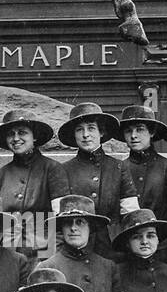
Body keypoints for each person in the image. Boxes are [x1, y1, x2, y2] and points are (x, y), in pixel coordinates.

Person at [58, 103, 139, 260]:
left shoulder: (118, 166)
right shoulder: (63, 170)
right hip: (76, 245)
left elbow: (130, 212)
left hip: (112, 247)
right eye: (79, 130)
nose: (85, 135)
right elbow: (59, 217)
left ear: (101, 132)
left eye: (91, 128)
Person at [0, 109, 70, 258]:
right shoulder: (2, 173)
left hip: (43, 250)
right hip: (9, 251)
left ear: (34, 137)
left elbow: (61, 221)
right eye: (10, 134)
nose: (16, 138)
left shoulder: (52, 168)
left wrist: (50, 257)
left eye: (22, 133)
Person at [119, 106, 167, 263]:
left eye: (140, 129)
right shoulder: (119, 168)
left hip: (163, 253)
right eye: (128, 131)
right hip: (128, 255)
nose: (134, 136)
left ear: (151, 132)